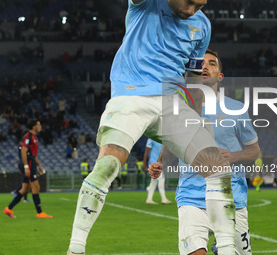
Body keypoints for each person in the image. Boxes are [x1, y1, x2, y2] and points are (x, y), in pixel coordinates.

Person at [67, 1, 236, 254]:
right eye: (189, 2)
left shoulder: (202, 25)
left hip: (173, 103)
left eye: (199, 5)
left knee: (219, 171)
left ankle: (227, 249)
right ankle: (76, 248)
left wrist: (194, 119)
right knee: (108, 165)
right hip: (132, 95)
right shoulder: (144, 4)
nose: (192, 10)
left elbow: (192, 80)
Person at [151, 50, 260, 255]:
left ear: (220, 75)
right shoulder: (180, 108)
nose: (205, 66)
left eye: (212, 63)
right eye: (201, 63)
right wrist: (161, 163)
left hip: (231, 198)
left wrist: (234, 156)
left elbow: (254, 151)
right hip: (192, 197)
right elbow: (172, 144)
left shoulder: (236, 109)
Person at [3, 119, 52, 219]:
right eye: (38, 125)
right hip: (28, 163)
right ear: (34, 127)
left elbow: (33, 154)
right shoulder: (29, 137)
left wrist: (39, 165)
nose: (40, 126)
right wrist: (26, 166)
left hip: (31, 162)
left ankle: (8, 209)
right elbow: (24, 151)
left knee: (25, 189)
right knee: (36, 187)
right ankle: (40, 213)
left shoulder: (33, 137)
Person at [142, 138, 172, 205]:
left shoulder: (160, 139)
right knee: (161, 180)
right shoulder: (152, 139)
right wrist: (144, 163)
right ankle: (164, 199)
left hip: (158, 162)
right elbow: (147, 152)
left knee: (154, 182)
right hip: (154, 162)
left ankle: (149, 199)